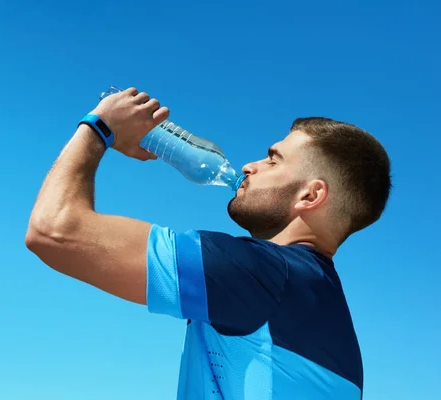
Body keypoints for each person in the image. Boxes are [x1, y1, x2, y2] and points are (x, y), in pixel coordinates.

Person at [24, 87, 391, 399]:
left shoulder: (261, 273)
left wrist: (100, 127)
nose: (249, 166)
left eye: (273, 160)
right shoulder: (339, 337)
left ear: (311, 196)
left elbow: (54, 231)